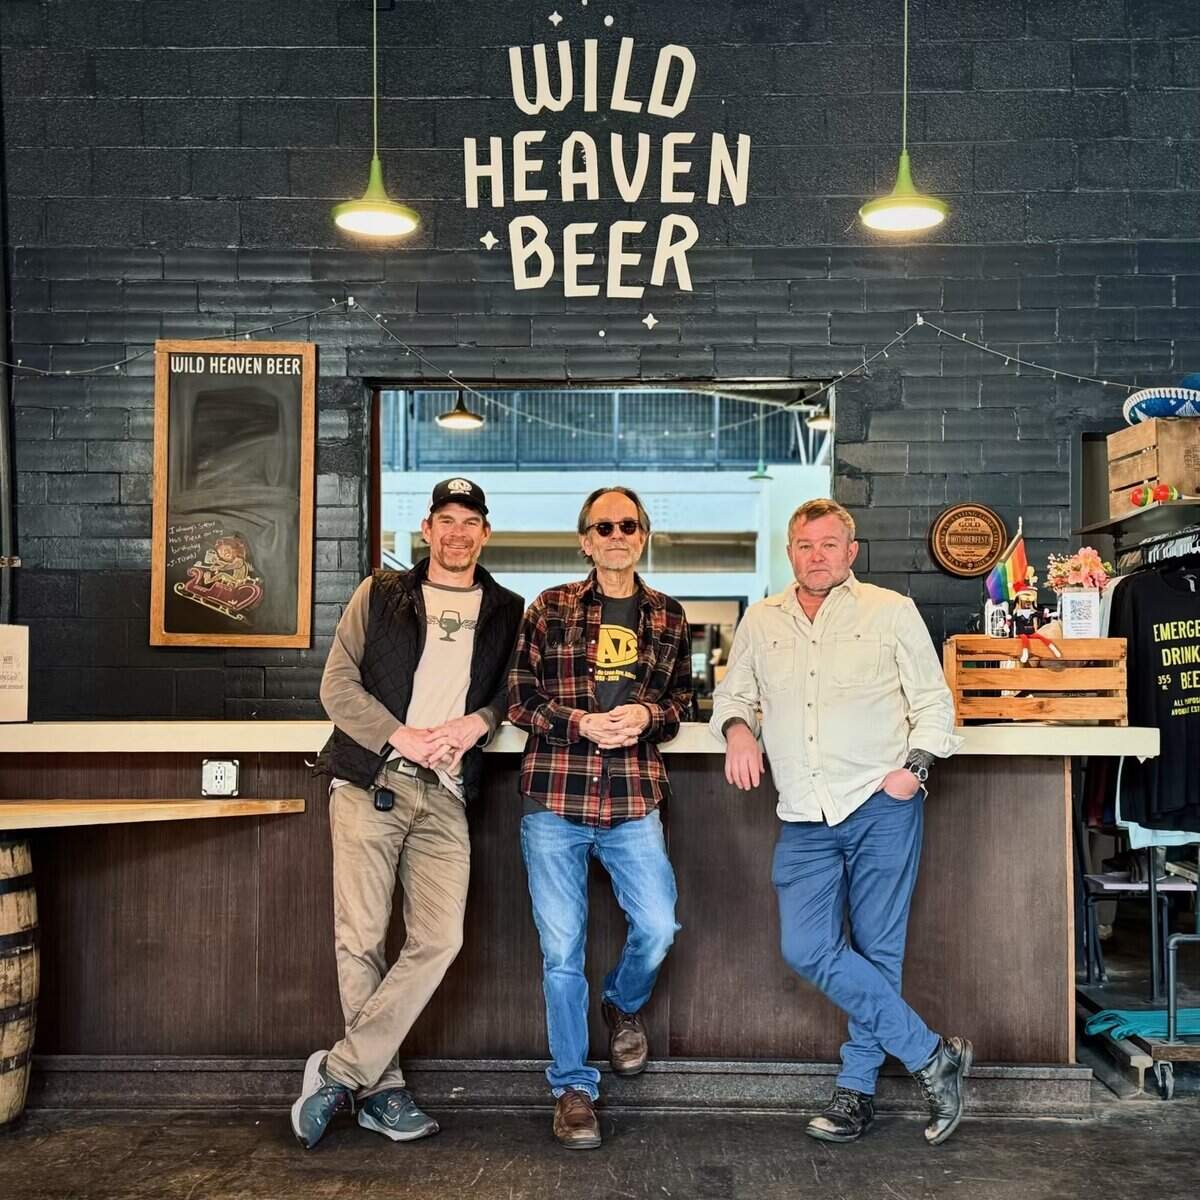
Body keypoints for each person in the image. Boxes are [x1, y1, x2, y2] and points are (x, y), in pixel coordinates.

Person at [710, 498, 971, 1146]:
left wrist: (913, 770)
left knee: (878, 952)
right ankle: (932, 1055)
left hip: (881, 805)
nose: (816, 555)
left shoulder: (890, 611)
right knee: (805, 947)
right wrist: (738, 730)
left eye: (829, 544)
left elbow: (934, 704)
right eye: (804, 545)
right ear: (789, 552)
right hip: (804, 814)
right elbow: (734, 695)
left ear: (851, 552)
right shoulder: (763, 620)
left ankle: (855, 1092)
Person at [292, 478, 523, 1150]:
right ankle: (382, 1089)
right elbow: (336, 686)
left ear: (485, 533)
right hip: (371, 781)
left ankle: (340, 1071)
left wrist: (480, 722)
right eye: (445, 520)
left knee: (440, 939)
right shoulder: (381, 592)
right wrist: (399, 736)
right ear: (427, 529)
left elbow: (516, 693)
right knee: (361, 938)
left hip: (446, 794)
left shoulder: (509, 610)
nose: (457, 533)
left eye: (470, 522)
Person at [508, 486, 692, 1149]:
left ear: (643, 536)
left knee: (659, 926)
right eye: (604, 526)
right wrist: (579, 721)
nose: (618, 535)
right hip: (555, 799)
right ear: (585, 540)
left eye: (629, 525)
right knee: (561, 953)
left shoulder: (669, 615)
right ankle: (573, 1088)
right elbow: (519, 700)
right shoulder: (549, 606)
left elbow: (683, 703)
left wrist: (649, 714)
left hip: (632, 796)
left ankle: (621, 1003)